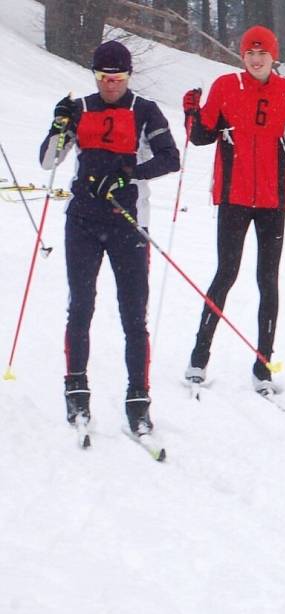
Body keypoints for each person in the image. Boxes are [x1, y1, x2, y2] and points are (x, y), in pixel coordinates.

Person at [182, 25, 285, 396]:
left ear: (273, 57)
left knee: (268, 280)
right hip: (233, 198)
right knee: (226, 274)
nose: (255, 59)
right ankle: (198, 357)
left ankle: (263, 364)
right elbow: (201, 136)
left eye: (262, 53)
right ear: (242, 56)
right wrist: (191, 111)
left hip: (272, 202)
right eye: (250, 53)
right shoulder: (224, 87)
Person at [39, 40, 180, 435]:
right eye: (104, 78)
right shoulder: (81, 108)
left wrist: (126, 173)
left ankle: (138, 400)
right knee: (80, 307)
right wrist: (58, 125)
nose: (111, 86)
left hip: (129, 222)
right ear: (95, 76)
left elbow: (170, 158)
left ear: (128, 77)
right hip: (83, 221)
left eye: (117, 79)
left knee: (134, 316)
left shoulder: (144, 110)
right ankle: (76, 391)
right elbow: (49, 160)